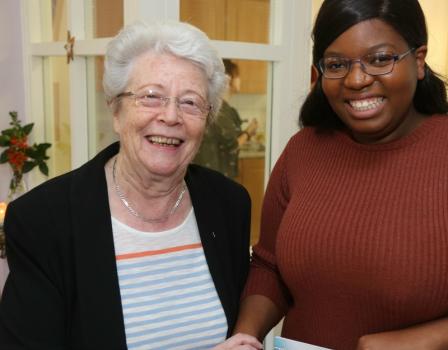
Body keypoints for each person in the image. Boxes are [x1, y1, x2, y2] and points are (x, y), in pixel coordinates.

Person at [229, 0, 448, 349]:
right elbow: (270, 265)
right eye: (337, 64)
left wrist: (426, 341)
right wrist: (245, 335)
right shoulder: (303, 150)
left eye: (380, 59)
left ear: (418, 61)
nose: (357, 80)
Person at [0, 20, 261, 350]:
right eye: (151, 96)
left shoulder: (228, 204)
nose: (170, 116)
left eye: (190, 102)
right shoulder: (43, 220)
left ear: (207, 120)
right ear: (116, 110)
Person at [193, 59, 258, 179]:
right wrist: (248, 132)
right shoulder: (220, 110)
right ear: (228, 79)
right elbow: (232, 145)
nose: (240, 80)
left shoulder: (223, 107)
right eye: (237, 75)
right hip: (214, 177)